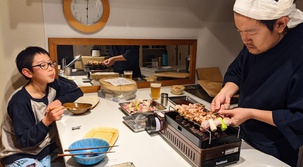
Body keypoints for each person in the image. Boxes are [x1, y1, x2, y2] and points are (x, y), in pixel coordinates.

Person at [210, 0, 303, 166]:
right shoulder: (253, 42)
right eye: (240, 31)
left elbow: (298, 117)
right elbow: (238, 70)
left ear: (281, 24)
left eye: (251, 33)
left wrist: (251, 113)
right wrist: (227, 91)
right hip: (244, 136)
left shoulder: (299, 52)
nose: (245, 40)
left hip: (275, 149)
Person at [0, 46, 83, 167]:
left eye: (50, 63)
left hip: (47, 149)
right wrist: (47, 120)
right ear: (27, 72)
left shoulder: (53, 84)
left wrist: (59, 101)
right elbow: (25, 141)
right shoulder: (20, 101)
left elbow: (77, 91)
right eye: (43, 65)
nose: (51, 69)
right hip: (20, 153)